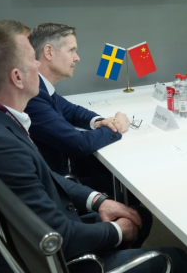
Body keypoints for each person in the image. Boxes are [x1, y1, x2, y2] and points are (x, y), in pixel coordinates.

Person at [0, 21, 187, 273]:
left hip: (39, 242)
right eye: (32, 59)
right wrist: (117, 231)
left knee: (136, 216)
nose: (38, 64)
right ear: (17, 77)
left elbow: (44, 174)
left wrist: (98, 201)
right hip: (39, 271)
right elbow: (59, 238)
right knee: (175, 260)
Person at [25, 23, 129, 195]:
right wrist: (117, 127)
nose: (77, 58)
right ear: (49, 52)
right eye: (71, 50)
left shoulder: (42, 87)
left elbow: (71, 111)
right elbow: (79, 143)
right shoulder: (33, 96)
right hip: (59, 184)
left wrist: (99, 122)